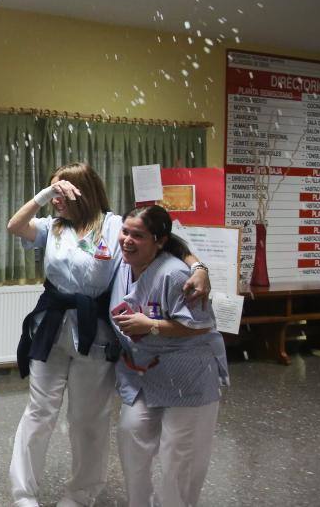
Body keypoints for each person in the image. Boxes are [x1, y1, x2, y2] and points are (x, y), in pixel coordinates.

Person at [5, 163, 211, 507]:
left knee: (86, 419)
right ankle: (24, 494)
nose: (57, 199)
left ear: (84, 190)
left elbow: (168, 241)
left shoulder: (115, 226)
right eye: (53, 192)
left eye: (63, 192)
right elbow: (15, 225)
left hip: (95, 333)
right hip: (51, 329)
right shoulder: (53, 226)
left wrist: (199, 267)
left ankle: (81, 493)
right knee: (38, 411)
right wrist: (44, 195)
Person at [109, 205, 228, 507]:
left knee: (179, 456)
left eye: (138, 235)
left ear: (160, 241)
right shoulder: (122, 265)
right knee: (130, 435)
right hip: (144, 374)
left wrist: (152, 326)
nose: (127, 240)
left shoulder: (176, 275)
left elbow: (202, 326)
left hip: (187, 376)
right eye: (125, 232)